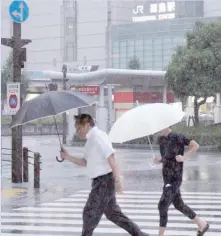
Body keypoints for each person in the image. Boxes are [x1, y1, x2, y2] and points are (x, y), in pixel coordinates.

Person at [60, 114, 150, 236]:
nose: (77, 131)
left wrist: (118, 179)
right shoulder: (90, 141)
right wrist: (67, 157)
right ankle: (139, 234)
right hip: (100, 181)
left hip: (104, 181)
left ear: (87, 125)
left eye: (79, 128)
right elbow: (85, 162)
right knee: (113, 214)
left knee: (89, 212)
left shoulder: (98, 137)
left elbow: (111, 156)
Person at [153, 127, 209, 236]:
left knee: (162, 205)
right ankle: (202, 224)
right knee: (179, 205)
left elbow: (195, 145)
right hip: (166, 177)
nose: (158, 128)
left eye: (160, 125)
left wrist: (184, 157)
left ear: (167, 125)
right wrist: (158, 160)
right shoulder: (161, 139)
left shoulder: (178, 136)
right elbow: (166, 158)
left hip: (175, 178)